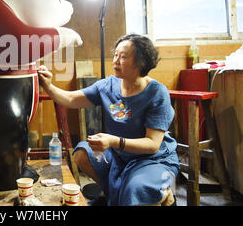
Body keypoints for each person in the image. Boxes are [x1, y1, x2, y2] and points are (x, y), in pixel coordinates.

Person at [38, 34, 179, 206]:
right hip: (119, 155)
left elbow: (152, 144)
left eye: (123, 56)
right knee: (83, 153)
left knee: (134, 190)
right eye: (116, 55)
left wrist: (114, 141)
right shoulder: (108, 86)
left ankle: (164, 194)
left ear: (141, 63)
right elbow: (71, 99)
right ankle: (112, 194)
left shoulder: (157, 93)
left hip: (151, 159)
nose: (116, 61)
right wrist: (48, 85)